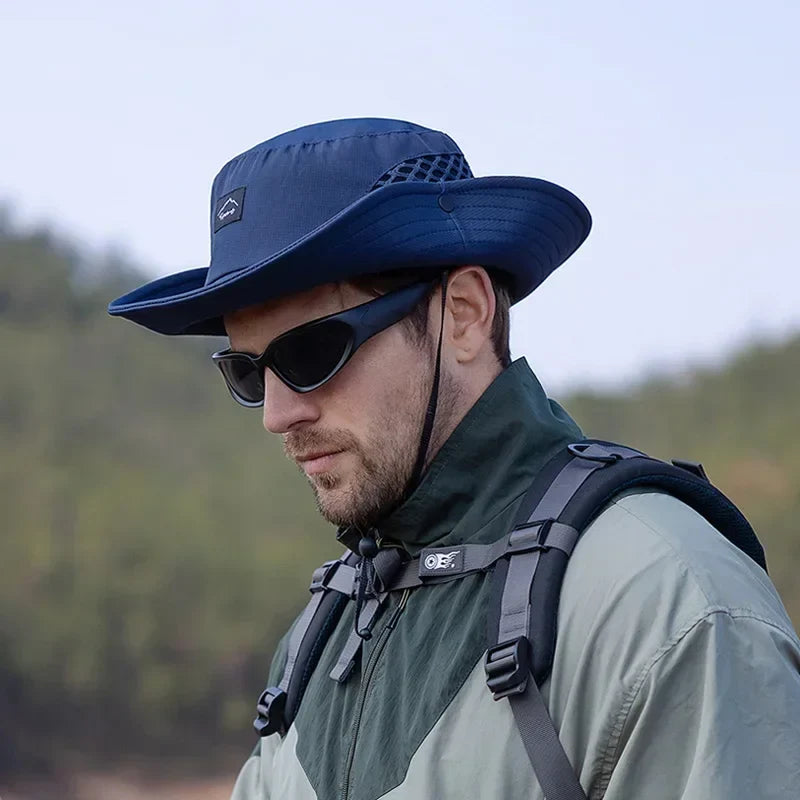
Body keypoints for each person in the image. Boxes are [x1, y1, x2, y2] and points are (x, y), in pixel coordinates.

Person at [109, 117, 800, 799]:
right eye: (248, 371)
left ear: (464, 313)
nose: (277, 414)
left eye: (311, 353)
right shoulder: (318, 638)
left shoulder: (662, 600)